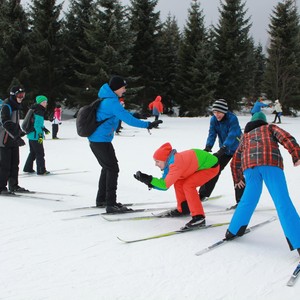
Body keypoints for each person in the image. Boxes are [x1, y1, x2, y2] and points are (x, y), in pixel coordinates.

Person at [225, 112, 300, 256]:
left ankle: (232, 230)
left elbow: (235, 161)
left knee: (248, 200)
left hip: (249, 168)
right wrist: (296, 154)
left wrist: (237, 178)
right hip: (270, 163)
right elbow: (286, 138)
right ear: (263, 122)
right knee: (281, 200)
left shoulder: (245, 137)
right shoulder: (269, 127)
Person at [89, 75, 162, 213]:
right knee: (112, 169)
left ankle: (102, 199)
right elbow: (127, 119)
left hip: (98, 140)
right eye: (123, 87)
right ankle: (110, 204)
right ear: (116, 88)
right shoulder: (112, 102)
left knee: (107, 168)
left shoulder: (108, 99)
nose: (124, 90)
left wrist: (136, 115)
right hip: (100, 140)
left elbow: (122, 115)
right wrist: (148, 124)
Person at [134, 142, 220, 229]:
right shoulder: (169, 163)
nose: (156, 164)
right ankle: (183, 208)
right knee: (179, 182)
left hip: (210, 167)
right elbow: (164, 181)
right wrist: (148, 181)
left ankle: (199, 217)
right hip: (198, 165)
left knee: (188, 185)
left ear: (164, 160)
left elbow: (164, 185)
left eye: (157, 161)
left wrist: (149, 179)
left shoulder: (175, 164)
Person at [199, 99, 244, 207]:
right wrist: (208, 146)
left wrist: (224, 147)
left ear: (224, 111)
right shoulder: (213, 120)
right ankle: (203, 194)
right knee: (213, 168)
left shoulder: (232, 119)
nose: (216, 114)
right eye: (214, 112)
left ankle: (241, 201)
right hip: (225, 149)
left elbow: (233, 135)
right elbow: (212, 133)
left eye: (219, 112)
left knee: (237, 171)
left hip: (238, 148)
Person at [0, 86, 27, 194]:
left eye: (23, 95)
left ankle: (14, 185)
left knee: (15, 163)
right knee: (4, 165)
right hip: (4, 140)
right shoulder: (7, 105)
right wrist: (16, 136)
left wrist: (19, 132)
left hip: (13, 138)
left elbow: (15, 123)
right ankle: (1, 187)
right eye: (19, 95)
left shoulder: (16, 105)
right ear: (13, 95)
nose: (21, 97)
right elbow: (6, 123)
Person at [23, 95, 50, 175]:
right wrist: (40, 136)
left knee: (33, 152)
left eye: (46, 102)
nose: (45, 104)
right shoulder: (39, 111)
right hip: (36, 136)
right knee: (40, 153)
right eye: (44, 102)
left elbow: (38, 124)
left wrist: (44, 129)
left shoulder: (35, 109)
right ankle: (41, 170)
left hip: (31, 135)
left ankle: (28, 168)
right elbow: (37, 126)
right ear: (39, 103)